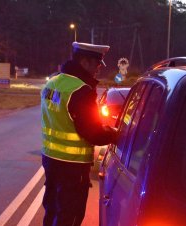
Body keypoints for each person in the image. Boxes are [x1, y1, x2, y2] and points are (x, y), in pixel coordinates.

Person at [41, 41, 117, 226]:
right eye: (97, 63)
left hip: (51, 159)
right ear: (84, 61)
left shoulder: (53, 82)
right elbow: (92, 133)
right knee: (70, 215)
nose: (99, 67)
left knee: (52, 209)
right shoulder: (81, 91)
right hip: (72, 166)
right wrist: (115, 134)